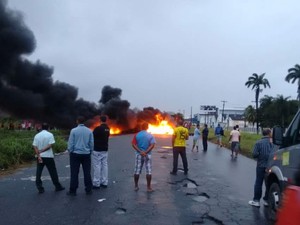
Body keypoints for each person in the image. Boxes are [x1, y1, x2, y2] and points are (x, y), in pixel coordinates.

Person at [32, 123, 65, 193]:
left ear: (41, 128)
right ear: (48, 128)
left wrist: (39, 155)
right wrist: (42, 150)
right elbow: (50, 145)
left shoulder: (37, 135)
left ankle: (40, 188)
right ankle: (57, 186)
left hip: (40, 157)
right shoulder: (50, 135)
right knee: (53, 171)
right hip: (48, 156)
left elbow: (35, 146)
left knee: (38, 172)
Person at [67, 116, 94, 196]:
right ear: (84, 122)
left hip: (75, 154)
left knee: (74, 172)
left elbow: (70, 143)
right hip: (86, 154)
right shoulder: (89, 131)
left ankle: (73, 191)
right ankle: (88, 190)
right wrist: (90, 151)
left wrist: (70, 151)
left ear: (77, 121)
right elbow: (91, 143)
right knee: (87, 172)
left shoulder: (73, 131)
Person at [248, 128, 274, 207]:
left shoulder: (258, 143)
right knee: (268, 183)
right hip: (271, 167)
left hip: (260, 165)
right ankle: (267, 200)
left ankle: (256, 201)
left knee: (258, 183)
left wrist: (260, 155)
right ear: (269, 134)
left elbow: (254, 154)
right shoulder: (273, 143)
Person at [131, 122, 156, 192]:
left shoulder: (137, 135)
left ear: (141, 127)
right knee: (149, 171)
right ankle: (148, 187)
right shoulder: (150, 135)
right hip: (148, 155)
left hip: (139, 155)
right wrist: (146, 152)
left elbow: (133, 144)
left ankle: (136, 186)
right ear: (147, 127)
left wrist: (140, 151)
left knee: (137, 170)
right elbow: (152, 145)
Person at [92, 115, 110, 189]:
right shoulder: (108, 129)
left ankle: (96, 183)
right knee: (104, 165)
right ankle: (104, 182)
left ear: (100, 120)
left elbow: (92, 136)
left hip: (97, 149)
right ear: (106, 120)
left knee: (97, 166)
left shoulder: (98, 128)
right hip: (105, 149)